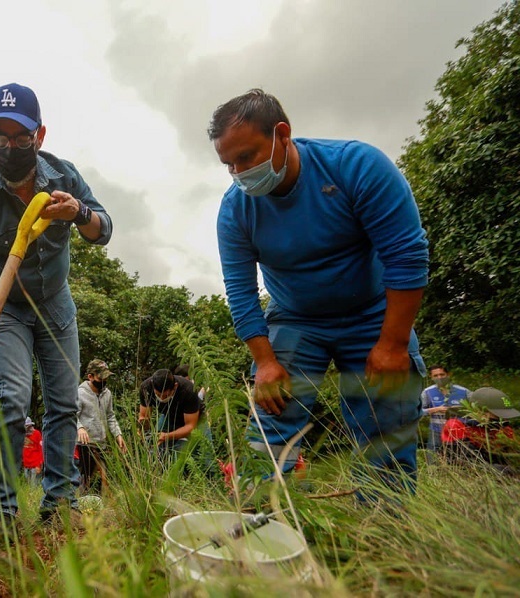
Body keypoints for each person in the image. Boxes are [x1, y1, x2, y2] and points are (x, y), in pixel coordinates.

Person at [208, 89, 429, 494]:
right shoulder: (235, 210)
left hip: (373, 312)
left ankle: (383, 536)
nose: (239, 173)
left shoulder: (355, 167)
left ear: (282, 134)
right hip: (296, 319)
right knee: (271, 422)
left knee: (386, 429)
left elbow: (407, 255)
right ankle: (266, 533)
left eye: (247, 156)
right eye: (229, 164)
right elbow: (240, 291)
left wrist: (394, 344)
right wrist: (265, 362)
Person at [0, 82, 113, 543]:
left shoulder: (64, 177)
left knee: (64, 404)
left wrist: (77, 212)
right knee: (13, 402)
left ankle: (59, 504)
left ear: (40, 135)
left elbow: (104, 230)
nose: (12, 145)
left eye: (22, 136)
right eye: (1, 136)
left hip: (56, 305)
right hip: (7, 312)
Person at [76, 359, 127, 494]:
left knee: (103, 478)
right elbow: (72, 415)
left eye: (106, 377)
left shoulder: (107, 394)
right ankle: (83, 506)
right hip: (85, 443)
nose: (104, 381)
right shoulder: (80, 394)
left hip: (101, 443)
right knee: (86, 478)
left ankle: (97, 507)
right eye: (101, 377)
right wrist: (80, 427)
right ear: (90, 377)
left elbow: (110, 416)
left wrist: (118, 434)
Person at [441, 387, 519, 474]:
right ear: (480, 411)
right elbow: (466, 459)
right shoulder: (456, 425)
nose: (503, 418)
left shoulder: (504, 428)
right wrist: (495, 469)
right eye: (499, 415)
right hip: (465, 475)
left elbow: (513, 453)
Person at [138, 369, 201, 462]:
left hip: (195, 418)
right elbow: (144, 417)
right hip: (168, 415)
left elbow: (190, 426)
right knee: (156, 451)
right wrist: (142, 430)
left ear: (175, 386)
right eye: (158, 395)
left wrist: (167, 436)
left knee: (205, 455)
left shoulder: (189, 390)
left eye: (166, 395)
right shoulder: (146, 388)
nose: (162, 398)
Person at [173, 364, 217, 476]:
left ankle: (212, 478)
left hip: (200, 421)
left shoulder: (194, 387)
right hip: (184, 423)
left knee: (206, 451)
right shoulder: (178, 390)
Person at [420, 365, 471, 454]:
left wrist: (458, 410)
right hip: (436, 431)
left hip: (459, 432)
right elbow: (418, 412)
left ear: (448, 375)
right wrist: (436, 409)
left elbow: (476, 411)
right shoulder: (427, 392)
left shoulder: (464, 392)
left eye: (442, 374)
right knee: (432, 459)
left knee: (460, 460)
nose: (439, 378)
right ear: (431, 377)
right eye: (435, 376)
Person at [22, 417, 44, 484]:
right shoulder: (22, 435)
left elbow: (41, 449)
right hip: (26, 464)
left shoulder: (37, 433)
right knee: (28, 484)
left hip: (35, 464)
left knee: (33, 486)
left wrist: (39, 464)